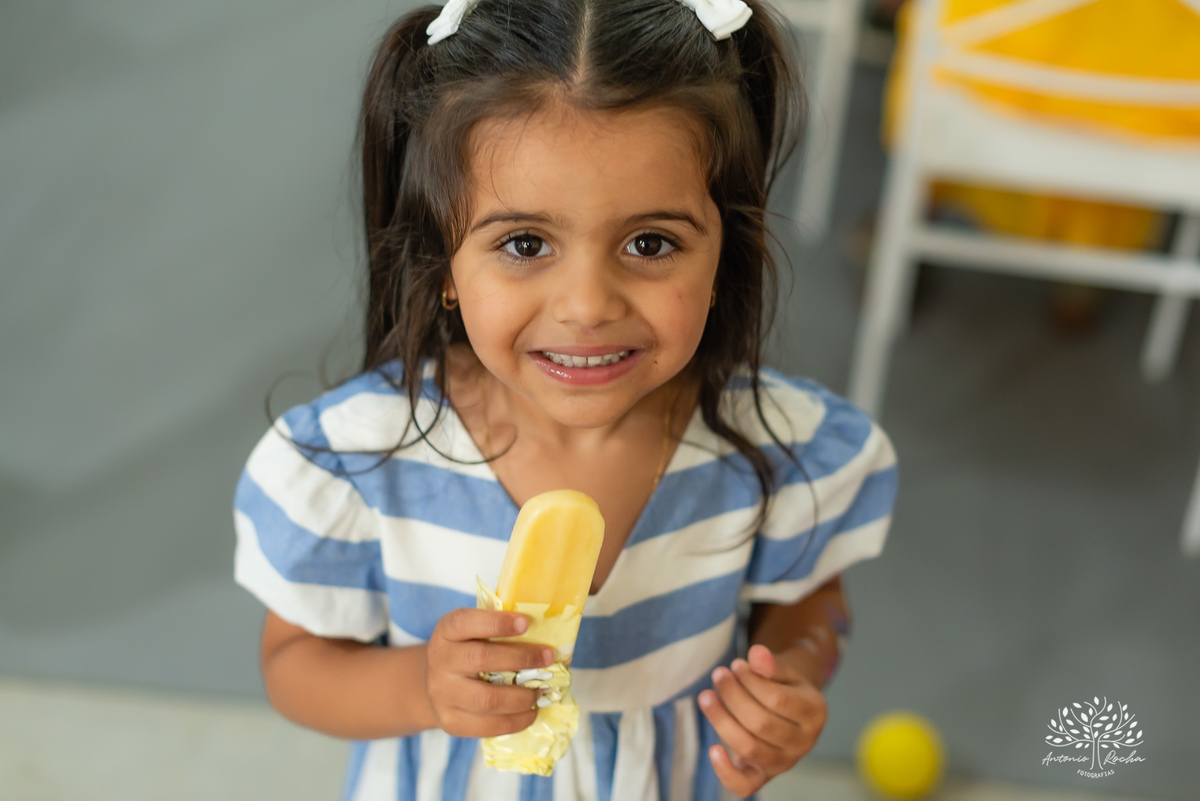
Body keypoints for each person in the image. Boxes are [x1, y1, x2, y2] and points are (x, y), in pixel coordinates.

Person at [232, 1, 899, 799]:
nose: (586, 304)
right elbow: (292, 664)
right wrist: (421, 686)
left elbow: (815, 605)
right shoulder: (361, 462)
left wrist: (793, 673)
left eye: (650, 243)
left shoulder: (775, 450)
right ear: (443, 259)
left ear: (727, 252)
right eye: (524, 244)